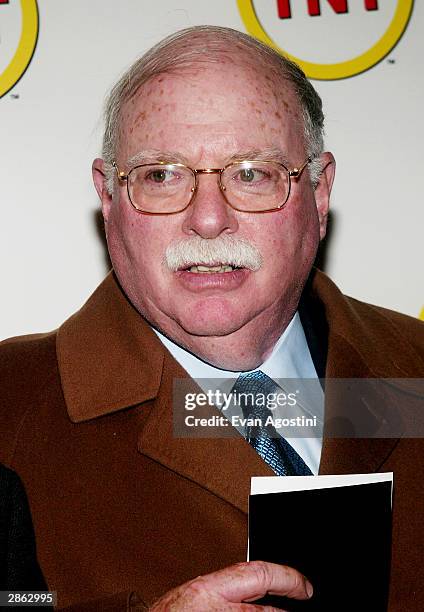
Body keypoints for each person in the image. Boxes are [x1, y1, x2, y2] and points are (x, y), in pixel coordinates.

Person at [0, 25, 422, 611]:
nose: (207, 219)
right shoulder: (8, 408)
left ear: (319, 194)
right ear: (108, 199)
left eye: (251, 173)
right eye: (161, 175)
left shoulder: (415, 367)